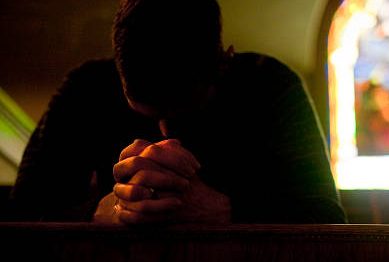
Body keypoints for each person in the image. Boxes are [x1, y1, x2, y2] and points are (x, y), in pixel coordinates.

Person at [5, 0, 346, 224]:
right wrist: (104, 213)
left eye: (184, 110)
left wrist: (223, 209)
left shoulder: (270, 87)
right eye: (145, 112)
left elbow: (328, 220)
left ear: (224, 63)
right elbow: (20, 218)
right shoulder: (85, 90)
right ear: (119, 74)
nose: (166, 135)